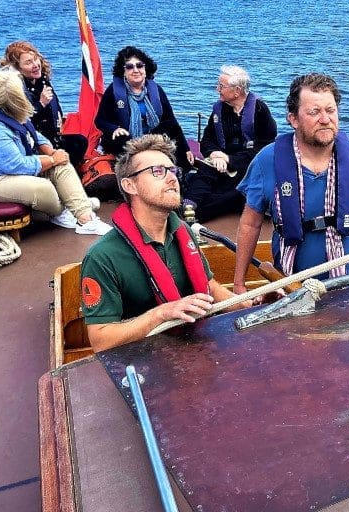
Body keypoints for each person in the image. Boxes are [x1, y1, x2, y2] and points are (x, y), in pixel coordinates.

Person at [80, 134, 243, 352]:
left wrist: (252, 305)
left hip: (194, 350)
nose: (172, 178)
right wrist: (161, 314)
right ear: (130, 185)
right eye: (158, 171)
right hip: (142, 363)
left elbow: (209, 287)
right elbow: (100, 341)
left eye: (173, 170)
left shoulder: (183, 232)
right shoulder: (102, 258)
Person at [232, 73, 349, 292]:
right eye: (314, 112)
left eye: (330, 110)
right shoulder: (268, 161)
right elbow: (250, 224)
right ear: (293, 119)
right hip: (291, 287)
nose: (325, 119)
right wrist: (239, 284)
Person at [0, 68, 111, 236]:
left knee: (63, 165)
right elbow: (15, 166)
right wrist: (52, 160)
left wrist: (52, 153)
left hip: (10, 170)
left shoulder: (8, 112)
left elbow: (35, 135)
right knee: (44, 189)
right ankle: (66, 207)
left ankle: (85, 217)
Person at [186, 65, 277, 222]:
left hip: (248, 166)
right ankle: (188, 205)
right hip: (219, 163)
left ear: (237, 91)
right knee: (204, 173)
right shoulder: (219, 110)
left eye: (221, 86)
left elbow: (264, 149)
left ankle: (198, 215)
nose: (217, 89)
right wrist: (215, 155)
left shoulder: (260, 111)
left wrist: (229, 160)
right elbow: (208, 140)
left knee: (231, 194)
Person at [94, 46, 193, 172]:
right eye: (129, 67)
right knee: (121, 137)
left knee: (170, 127)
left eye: (139, 66)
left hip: (150, 136)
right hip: (126, 140)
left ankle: (181, 173)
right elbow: (100, 121)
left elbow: (171, 121)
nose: (135, 70)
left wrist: (186, 148)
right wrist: (114, 129)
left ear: (145, 69)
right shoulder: (113, 92)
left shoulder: (157, 90)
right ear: (123, 71)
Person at [0, 41, 88, 167]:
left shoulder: (42, 81)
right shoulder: (15, 89)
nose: (35, 65)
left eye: (36, 59)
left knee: (80, 141)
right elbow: (20, 121)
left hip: (53, 136)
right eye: (28, 62)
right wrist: (40, 104)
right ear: (17, 68)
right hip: (33, 143)